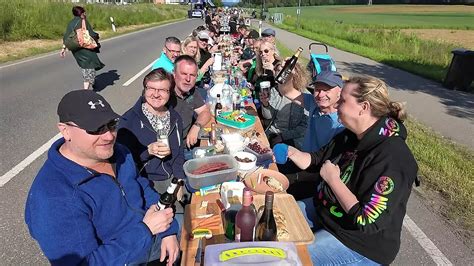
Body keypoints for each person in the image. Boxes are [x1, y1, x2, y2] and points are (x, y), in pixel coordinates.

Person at [273, 76, 418, 265]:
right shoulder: (351, 135)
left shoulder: (393, 157)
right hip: (327, 211)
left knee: (288, 259)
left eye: (342, 100)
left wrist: (334, 181)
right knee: (273, 218)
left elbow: (367, 221)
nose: (337, 105)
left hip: (359, 242)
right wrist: (291, 152)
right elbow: (317, 159)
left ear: (364, 107)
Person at [25, 90, 180, 265]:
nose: (108, 136)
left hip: (156, 235)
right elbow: (85, 263)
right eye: (95, 128)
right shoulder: (53, 197)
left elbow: (142, 188)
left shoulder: (120, 152)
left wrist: (169, 231)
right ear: (65, 131)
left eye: (111, 124)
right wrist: (146, 230)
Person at [117, 68, 186, 197]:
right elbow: (121, 163)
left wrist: (179, 180)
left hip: (172, 179)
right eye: (151, 88)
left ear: (170, 93)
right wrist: (147, 152)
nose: (156, 94)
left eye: (162, 90)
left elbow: (179, 153)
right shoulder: (128, 120)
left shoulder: (175, 117)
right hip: (145, 182)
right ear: (145, 90)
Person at [260, 62, 309, 149]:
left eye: (283, 72)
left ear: (295, 75)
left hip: (293, 139)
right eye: (277, 71)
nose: (278, 75)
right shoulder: (275, 90)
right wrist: (265, 104)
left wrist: (283, 136)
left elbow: (304, 128)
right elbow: (268, 117)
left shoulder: (305, 96)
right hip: (272, 132)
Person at [169, 55, 212, 149]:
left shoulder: (191, 91)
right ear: (174, 74)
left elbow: (205, 112)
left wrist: (196, 126)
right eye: (184, 74)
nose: (188, 79)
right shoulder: (165, 93)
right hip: (168, 150)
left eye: (192, 75)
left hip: (186, 146)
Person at [61, 6, 104, 90]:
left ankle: (91, 82)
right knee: (90, 65)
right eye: (84, 12)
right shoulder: (83, 21)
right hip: (85, 47)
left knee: (85, 67)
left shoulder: (71, 23)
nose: (85, 14)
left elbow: (66, 37)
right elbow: (91, 34)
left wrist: (63, 48)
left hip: (75, 49)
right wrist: (97, 37)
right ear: (81, 13)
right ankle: (86, 90)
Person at [303, 71, 345, 153]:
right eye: (317, 89)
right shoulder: (313, 102)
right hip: (303, 160)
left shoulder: (344, 122)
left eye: (326, 90)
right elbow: (287, 91)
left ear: (339, 92)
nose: (320, 95)